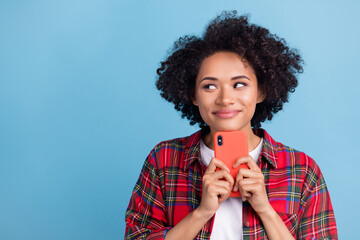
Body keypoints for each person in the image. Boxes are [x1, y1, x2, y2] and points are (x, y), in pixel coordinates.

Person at [125, 11, 337, 240]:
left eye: (239, 84)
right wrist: (202, 212)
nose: (225, 99)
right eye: (209, 86)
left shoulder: (302, 170)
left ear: (261, 91)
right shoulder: (164, 159)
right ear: (193, 95)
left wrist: (265, 209)